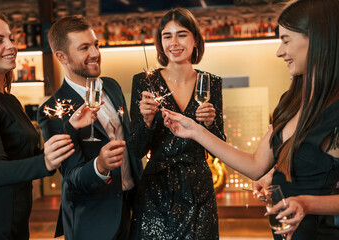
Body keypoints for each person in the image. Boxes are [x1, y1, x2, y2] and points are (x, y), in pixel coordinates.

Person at [162, 0, 339, 239]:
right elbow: (256, 165)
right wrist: (195, 130)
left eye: (286, 40)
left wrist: (306, 203)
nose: (279, 51)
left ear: (318, 39)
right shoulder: (290, 100)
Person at [0, 10, 96, 239]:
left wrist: (70, 128)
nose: (11, 45)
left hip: (17, 220)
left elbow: (29, 158)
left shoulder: (9, 99)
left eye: (11, 38)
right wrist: (45, 161)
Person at [37, 16, 143, 240]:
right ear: (61, 56)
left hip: (131, 210)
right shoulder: (52, 110)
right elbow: (73, 177)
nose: (95, 53)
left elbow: (130, 144)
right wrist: (100, 166)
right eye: (84, 48)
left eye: (96, 44)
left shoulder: (112, 86)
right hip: (92, 221)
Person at [129, 8, 225, 239]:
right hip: (156, 190)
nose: (174, 42)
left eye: (181, 34)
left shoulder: (211, 82)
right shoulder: (144, 81)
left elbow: (220, 145)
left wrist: (211, 125)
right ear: (160, 43)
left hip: (199, 188)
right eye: (167, 36)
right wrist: (147, 121)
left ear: (195, 40)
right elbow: (135, 149)